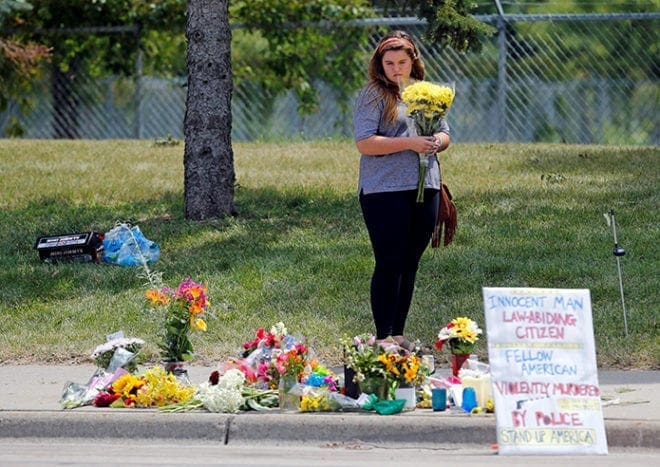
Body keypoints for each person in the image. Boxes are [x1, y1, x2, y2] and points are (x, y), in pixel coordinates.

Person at [352, 30, 451, 351]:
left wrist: (438, 142)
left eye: (402, 62)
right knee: (389, 260)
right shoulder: (373, 95)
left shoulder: (427, 93)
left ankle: (397, 334)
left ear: (413, 63)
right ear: (380, 64)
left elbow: (445, 133)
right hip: (384, 191)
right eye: (389, 62)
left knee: (410, 262)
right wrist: (410, 143)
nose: (396, 68)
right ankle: (382, 337)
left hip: (427, 188)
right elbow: (365, 143)